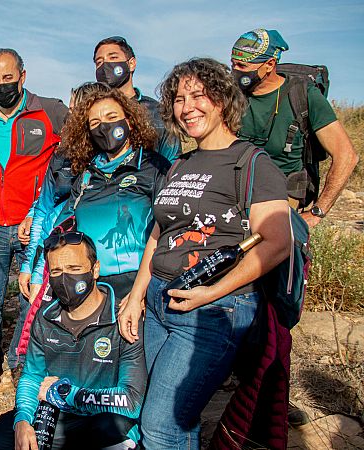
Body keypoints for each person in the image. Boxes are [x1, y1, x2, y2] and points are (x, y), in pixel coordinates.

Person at [117, 57, 292, 448]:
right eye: (179, 99)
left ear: (223, 99)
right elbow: (159, 234)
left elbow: (277, 241)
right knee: (156, 413)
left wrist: (214, 292)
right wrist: (136, 295)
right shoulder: (180, 163)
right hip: (160, 304)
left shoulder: (251, 162)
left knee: (163, 424)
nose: (187, 106)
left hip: (212, 311)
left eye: (199, 95)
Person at [0, 232, 146, 450]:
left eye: (74, 269)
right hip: (56, 416)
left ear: (95, 269)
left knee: (109, 431)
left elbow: (131, 402)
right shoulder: (45, 317)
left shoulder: (121, 319)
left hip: (104, 419)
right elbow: (32, 376)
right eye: (56, 271)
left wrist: (68, 394)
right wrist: (23, 420)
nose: (64, 279)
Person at [0, 48, 69, 405]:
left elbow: (73, 154)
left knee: (33, 298)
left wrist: (49, 208)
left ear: (22, 76)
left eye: (7, 78)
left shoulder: (52, 111)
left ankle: (18, 360)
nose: (1, 86)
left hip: (35, 223)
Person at [24, 88, 170, 301]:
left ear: (129, 121)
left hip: (139, 285)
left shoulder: (153, 166)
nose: (104, 127)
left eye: (111, 117)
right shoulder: (87, 175)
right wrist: (38, 272)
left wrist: (143, 292)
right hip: (92, 286)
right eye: (95, 123)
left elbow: (168, 229)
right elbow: (60, 227)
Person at [230, 28, 358, 226]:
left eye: (242, 65)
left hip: (280, 199)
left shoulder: (304, 96)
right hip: (234, 192)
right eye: (233, 64)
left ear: (270, 64)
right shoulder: (233, 96)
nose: (235, 71)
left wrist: (317, 212)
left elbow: (347, 156)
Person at [93, 36, 181, 162]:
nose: (105, 65)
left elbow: (172, 160)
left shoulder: (158, 112)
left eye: (113, 57)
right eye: (99, 62)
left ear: (131, 64)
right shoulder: (90, 114)